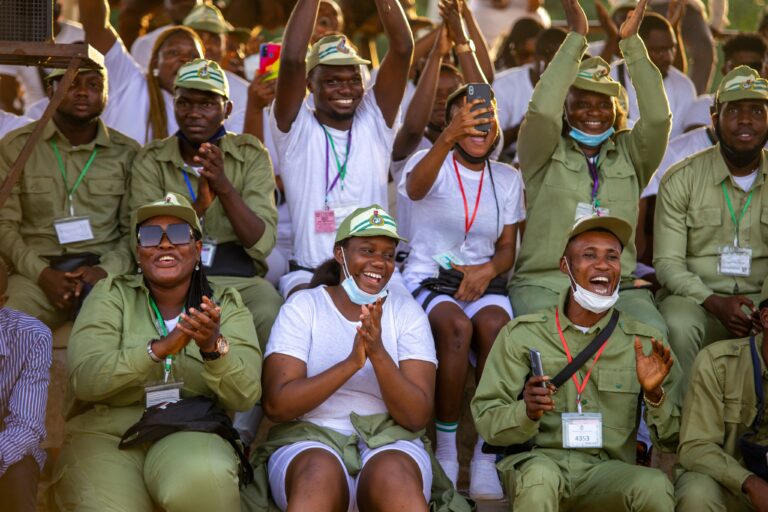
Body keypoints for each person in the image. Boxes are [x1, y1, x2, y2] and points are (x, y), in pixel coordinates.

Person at [49, 193, 262, 511]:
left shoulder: (225, 304)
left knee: (204, 479)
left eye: (178, 234)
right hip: (109, 431)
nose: (164, 244)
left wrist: (212, 349)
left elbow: (245, 395)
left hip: (190, 425)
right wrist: (158, 350)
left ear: (197, 249)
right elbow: (85, 379)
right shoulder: (110, 295)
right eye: (150, 235)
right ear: (138, 251)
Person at [472, 215, 682, 511]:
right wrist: (526, 411)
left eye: (612, 256)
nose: (602, 265)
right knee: (538, 478)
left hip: (606, 472)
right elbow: (487, 419)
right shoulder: (523, 334)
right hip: (540, 463)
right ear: (565, 266)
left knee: (655, 486)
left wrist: (655, 395)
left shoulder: (644, 341)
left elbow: (673, 439)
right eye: (589, 255)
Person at [257, 205, 448, 511]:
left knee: (395, 477)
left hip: (389, 438)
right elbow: (277, 406)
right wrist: (351, 364)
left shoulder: (406, 311)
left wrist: (378, 353)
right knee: (316, 475)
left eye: (388, 255)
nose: (379, 263)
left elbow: (415, 416)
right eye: (367, 250)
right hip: (309, 437)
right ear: (340, 254)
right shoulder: (304, 306)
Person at [509, 0, 671, 336]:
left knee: (654, 332)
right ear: (566, 108)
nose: (592, 111)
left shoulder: (631, 154)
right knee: (549, 339)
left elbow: (657, 120)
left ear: (616, 109)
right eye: (581, 102)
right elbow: (540, 112)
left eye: (603, 103)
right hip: (547, 283)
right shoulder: (543, 151)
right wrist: (576, 37)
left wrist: (632, 46)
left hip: (616, 285)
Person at [400, 84, 525, 498]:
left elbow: (508, 248)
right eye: (466, 116)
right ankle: (448, 450)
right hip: (429, 276)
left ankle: (487, 452)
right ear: (452, 122)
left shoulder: (506, 178)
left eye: (485, 116)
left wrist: (487, 269)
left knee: (496, 326)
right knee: (456, 328)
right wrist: (448, 137)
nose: (478, 124)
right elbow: (416, 189)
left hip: (483, 279)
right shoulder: (429, 161)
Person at [129, 58, 281, 366]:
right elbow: (142, 235)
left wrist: (223, 186)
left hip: (235, 274)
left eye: (208, 103)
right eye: (185, 102)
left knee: (268, 306)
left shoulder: (250, 154)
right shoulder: (151, 159)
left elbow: (262, 242)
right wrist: (197, 208)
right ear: (175, 105)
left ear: (227, 109)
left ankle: (256, 405)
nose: (195, 112)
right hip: (169, 276)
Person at [270, 0, 413, 298]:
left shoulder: (375, 118)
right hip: (309, 274)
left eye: (353, 79)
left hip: (375, 275)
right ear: (310, 84)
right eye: (333, 80)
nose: (346, 89)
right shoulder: (295, 128)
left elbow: (402, 48)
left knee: (413, 333)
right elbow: (294, 59)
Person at [0, 66, 138, 329]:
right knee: (6, 326)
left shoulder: (127, 152)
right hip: (36, 274)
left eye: (94, 85)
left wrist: (106, 271)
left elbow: (134, 229)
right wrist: (42, 274)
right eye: (72, 84)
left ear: (107, 95)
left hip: (103, 273)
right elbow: (4, 224)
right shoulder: (17, 147)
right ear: (51, 91)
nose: (83, 92)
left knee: (124, 332)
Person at [654, 66, 768, 382]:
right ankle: (684, 427)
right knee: (678, 323)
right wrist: (713, 301)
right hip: (697, 300)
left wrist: (764, 308)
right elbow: (666, 263)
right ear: (714, 118)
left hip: (762, 300)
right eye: (734, 110)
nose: (746, 120)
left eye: (757, 110)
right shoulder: (682, 178)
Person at [78, 0, 245, 145]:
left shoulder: (202, 115)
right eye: (174, 53)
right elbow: (96, 25)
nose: (184, 60)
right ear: (156, 61)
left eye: (193, 56)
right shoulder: (130, 80)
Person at [675, 287, 768, 512]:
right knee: (697, 493)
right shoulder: (718, 362)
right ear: (766, 318)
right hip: (732, 483)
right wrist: (749, 482)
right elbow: (695, 447)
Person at [0, 260, 53, 512]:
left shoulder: (32, 336)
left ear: (1, 303)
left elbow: (27, 426)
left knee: (19, 470)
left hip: (3, 445)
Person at [610, 12, 696, 139]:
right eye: (658, 50)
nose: (668, 57)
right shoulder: (610, 79)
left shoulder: (684, 86)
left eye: (672, 48)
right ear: (636, 48)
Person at [493, 26, 567, 158]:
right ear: (539, 60)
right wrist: (521, 127)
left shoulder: (575, 84)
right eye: (555, 61)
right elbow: (490, 146)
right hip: (506, 159)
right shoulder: (504, 85)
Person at [130, 0, 203, 71]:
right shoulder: (146, 43)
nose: (184, 3)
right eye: (173, 52)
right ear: (164, 6)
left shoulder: (212, 44)